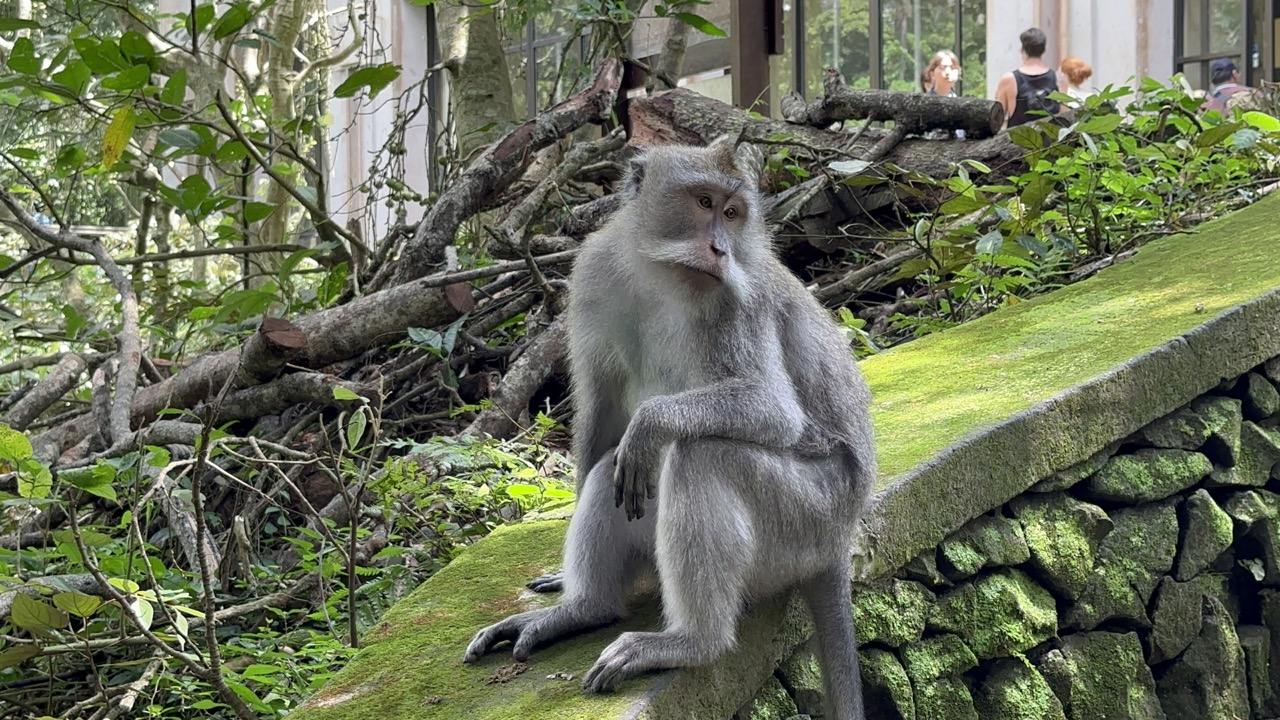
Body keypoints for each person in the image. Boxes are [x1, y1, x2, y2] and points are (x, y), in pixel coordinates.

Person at [995, 27, 1069, 129]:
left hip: (1016, 142)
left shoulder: (1009, 80)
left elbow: (997, 119)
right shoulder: (1059, 79)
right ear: (1044, 50)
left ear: (1022, 50)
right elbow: (1064, 118)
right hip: (1051, 142)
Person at [922, 50, 965, 139]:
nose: (948, 71)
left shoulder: (962, 104)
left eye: (953, 68)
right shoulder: (924, 103)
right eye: (942, 67)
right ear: (932, 73)